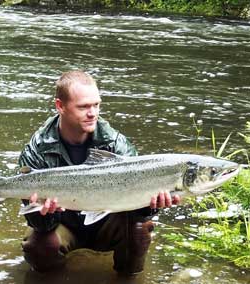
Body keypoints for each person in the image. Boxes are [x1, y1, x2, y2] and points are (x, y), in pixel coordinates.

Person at [19, 70, 180, 275]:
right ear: (60, 106)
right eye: (84, 106)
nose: (93, 113)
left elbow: (135, 206)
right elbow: (39, 225)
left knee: (140, 229)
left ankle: (128, 278)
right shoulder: (36, 150)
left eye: (96, 105)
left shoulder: (116, 144)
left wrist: (152, 206)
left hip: (106, 222)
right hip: (63, 224)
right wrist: (44, 213)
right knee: (39, 246)